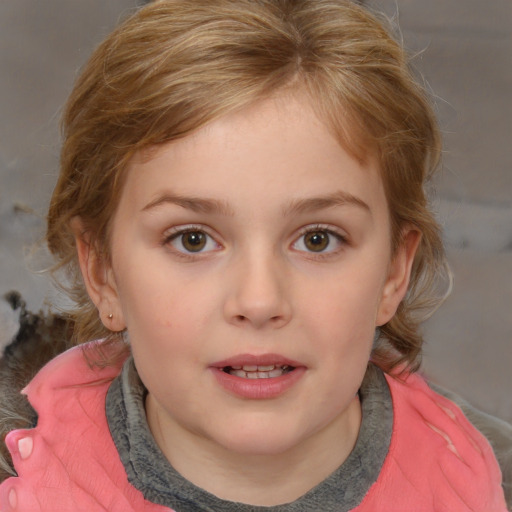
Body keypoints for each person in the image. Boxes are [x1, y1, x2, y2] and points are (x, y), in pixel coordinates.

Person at [0, 0, 509, 510]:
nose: (260, 300)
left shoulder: (462, 486)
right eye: (192, 239)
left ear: (394, 273)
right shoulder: (34, 488)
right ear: (102, 272)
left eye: (317, 239)